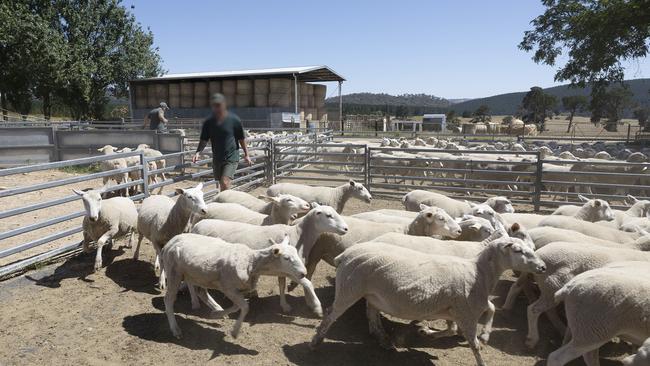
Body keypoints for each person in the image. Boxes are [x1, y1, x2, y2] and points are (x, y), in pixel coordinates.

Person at [192, 93, 253, 191]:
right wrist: (198, 152)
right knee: (221, 183)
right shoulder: (209, 122)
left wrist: (247, 154)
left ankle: (225, 204)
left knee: (225, 181)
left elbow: (241, 138)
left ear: (224, 105)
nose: (217, 107)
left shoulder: (234, 120)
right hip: (217, 157)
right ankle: (225, 200)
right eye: (215, 105)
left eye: (219, 105)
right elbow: (204, 139)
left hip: (231, 157)